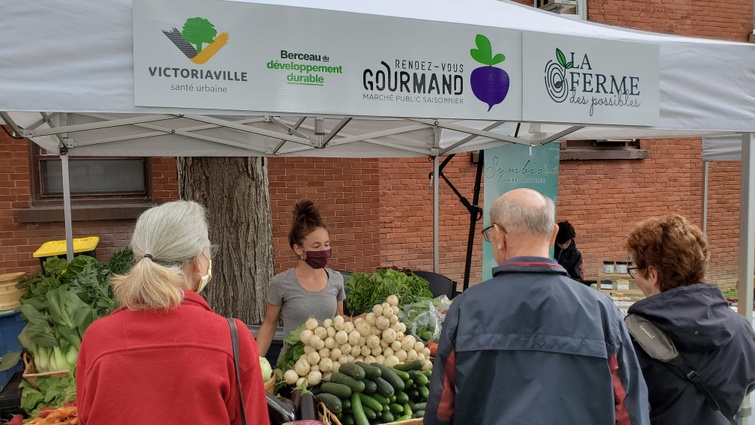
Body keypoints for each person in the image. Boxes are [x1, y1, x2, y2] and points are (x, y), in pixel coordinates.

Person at [424, 188, 649, 425]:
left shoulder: (465, 308)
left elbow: (442, 408)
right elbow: (630, 409)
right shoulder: (601, 309)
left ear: (500, 237)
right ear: (553, 235)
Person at [76, 201, 268, 425]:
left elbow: (85, 417)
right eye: (209, 250)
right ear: (198, 261)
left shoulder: (97, 338)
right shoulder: (231, 337)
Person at [625, 214, 755, 425]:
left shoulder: (631, 337)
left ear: (652, 273)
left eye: (636, 270)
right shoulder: (742, 329)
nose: (636, 279)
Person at [257, 199, 346, 364]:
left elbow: (340, 319)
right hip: (291, 367)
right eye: (316, 246)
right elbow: (269, 325)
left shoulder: (336, 279)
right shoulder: (281, 283)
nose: (324, 251)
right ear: (299, 249)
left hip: (328, 366)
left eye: (326, 244)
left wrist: (367, 319)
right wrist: (254, 363)